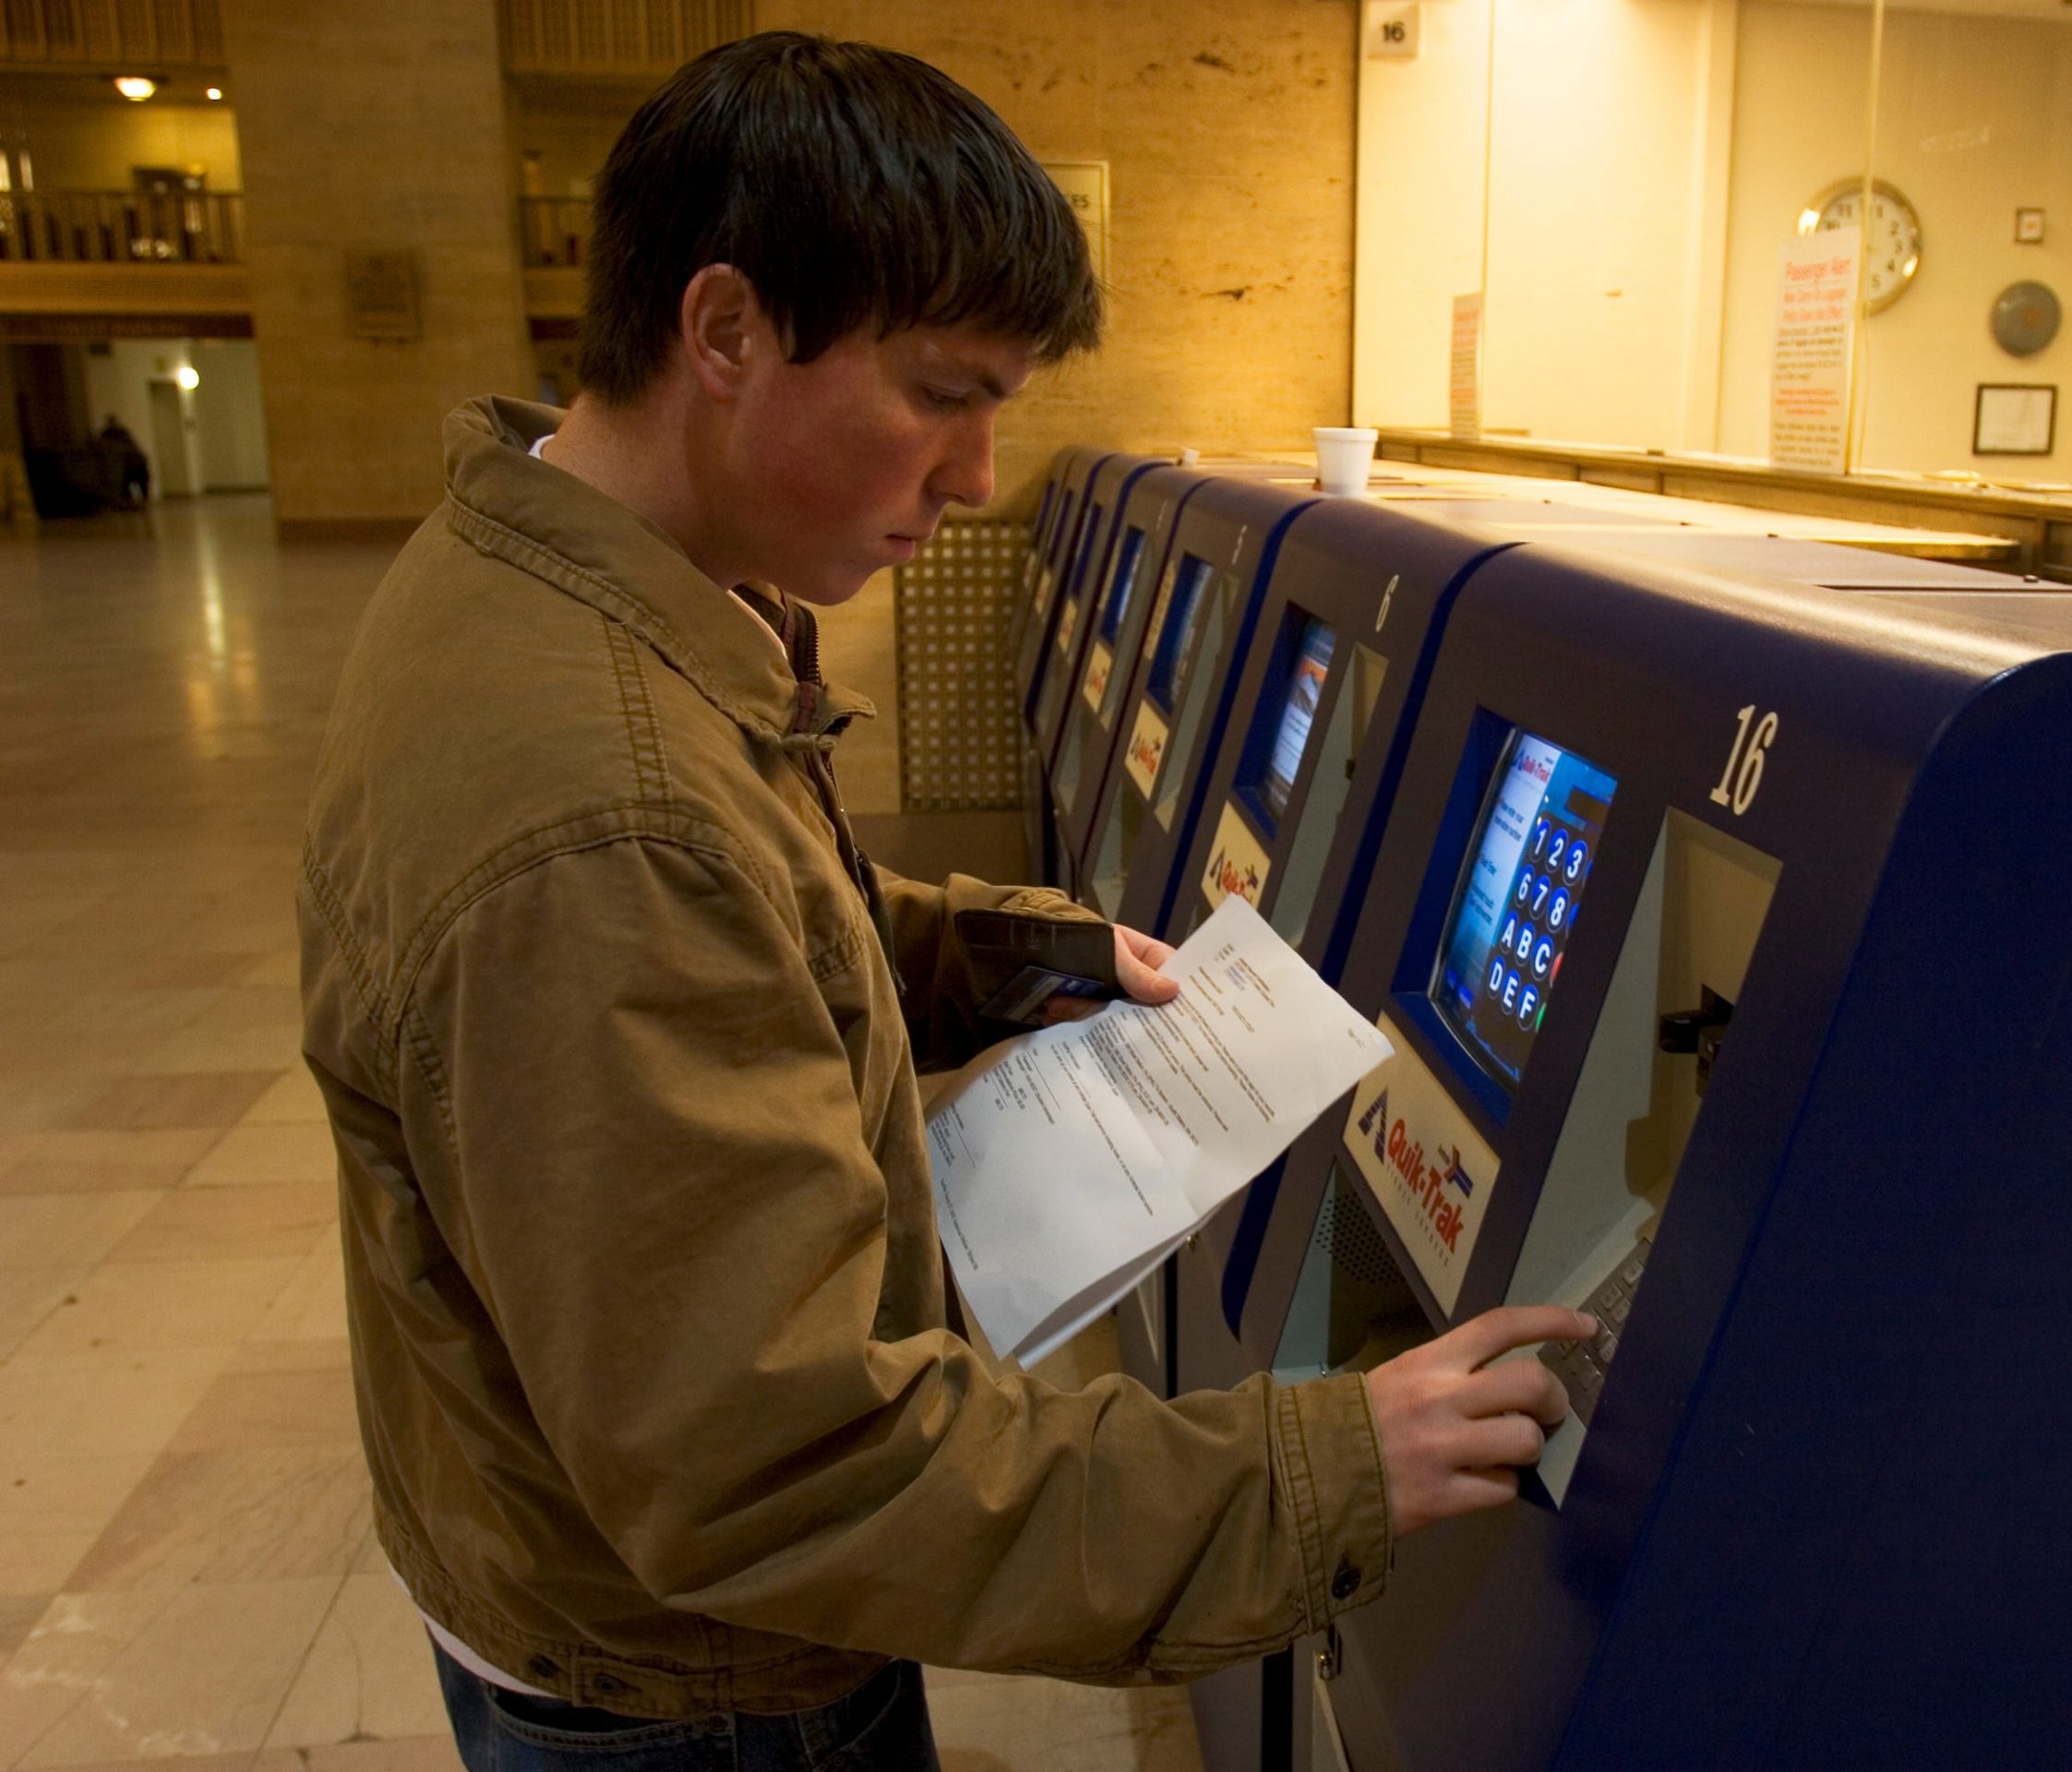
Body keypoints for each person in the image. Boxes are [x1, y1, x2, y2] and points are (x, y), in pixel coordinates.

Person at [298, 31, 1591, 1772]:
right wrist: (1323, 1468)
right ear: (728, 330)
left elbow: (732, 911)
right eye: (943, 393)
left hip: (553, 1574)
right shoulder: (603, 809)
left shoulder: (537, 574)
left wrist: (986, 952)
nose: (980, 478)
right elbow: (784, 1463)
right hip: (700, 1695)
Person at [95, 413, 148, 506]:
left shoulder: (120, 433)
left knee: (134, 484)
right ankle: (132, 502)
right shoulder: (111, 434)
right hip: (128, 464)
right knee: (128, 485)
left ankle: (135, 502)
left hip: (131, 463)